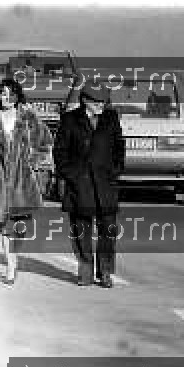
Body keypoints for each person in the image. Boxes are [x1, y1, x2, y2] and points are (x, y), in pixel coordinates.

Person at [0, 77, 53, 285]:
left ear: (17, 97)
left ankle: (14, 257)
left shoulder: (28, 119)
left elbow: (45, 143)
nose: (6, 97)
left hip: (23, 184)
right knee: (5, 228)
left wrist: (34, 164)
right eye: (2, 94)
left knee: (19, 229)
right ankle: (10, 265)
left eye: (10, 94)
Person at [53, 81, 125, 287]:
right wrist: (71, 175)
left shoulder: (111, 118)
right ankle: (85, 270)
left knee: (108, 230)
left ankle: (105, 272)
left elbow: (119, 147)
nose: (101, 105)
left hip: (105, 183)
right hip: (80, 183)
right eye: (97, 101)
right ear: (85, 100)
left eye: (103, 101)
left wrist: (115, 170)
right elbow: (60, 152)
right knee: (80, 229)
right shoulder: (70, 120)